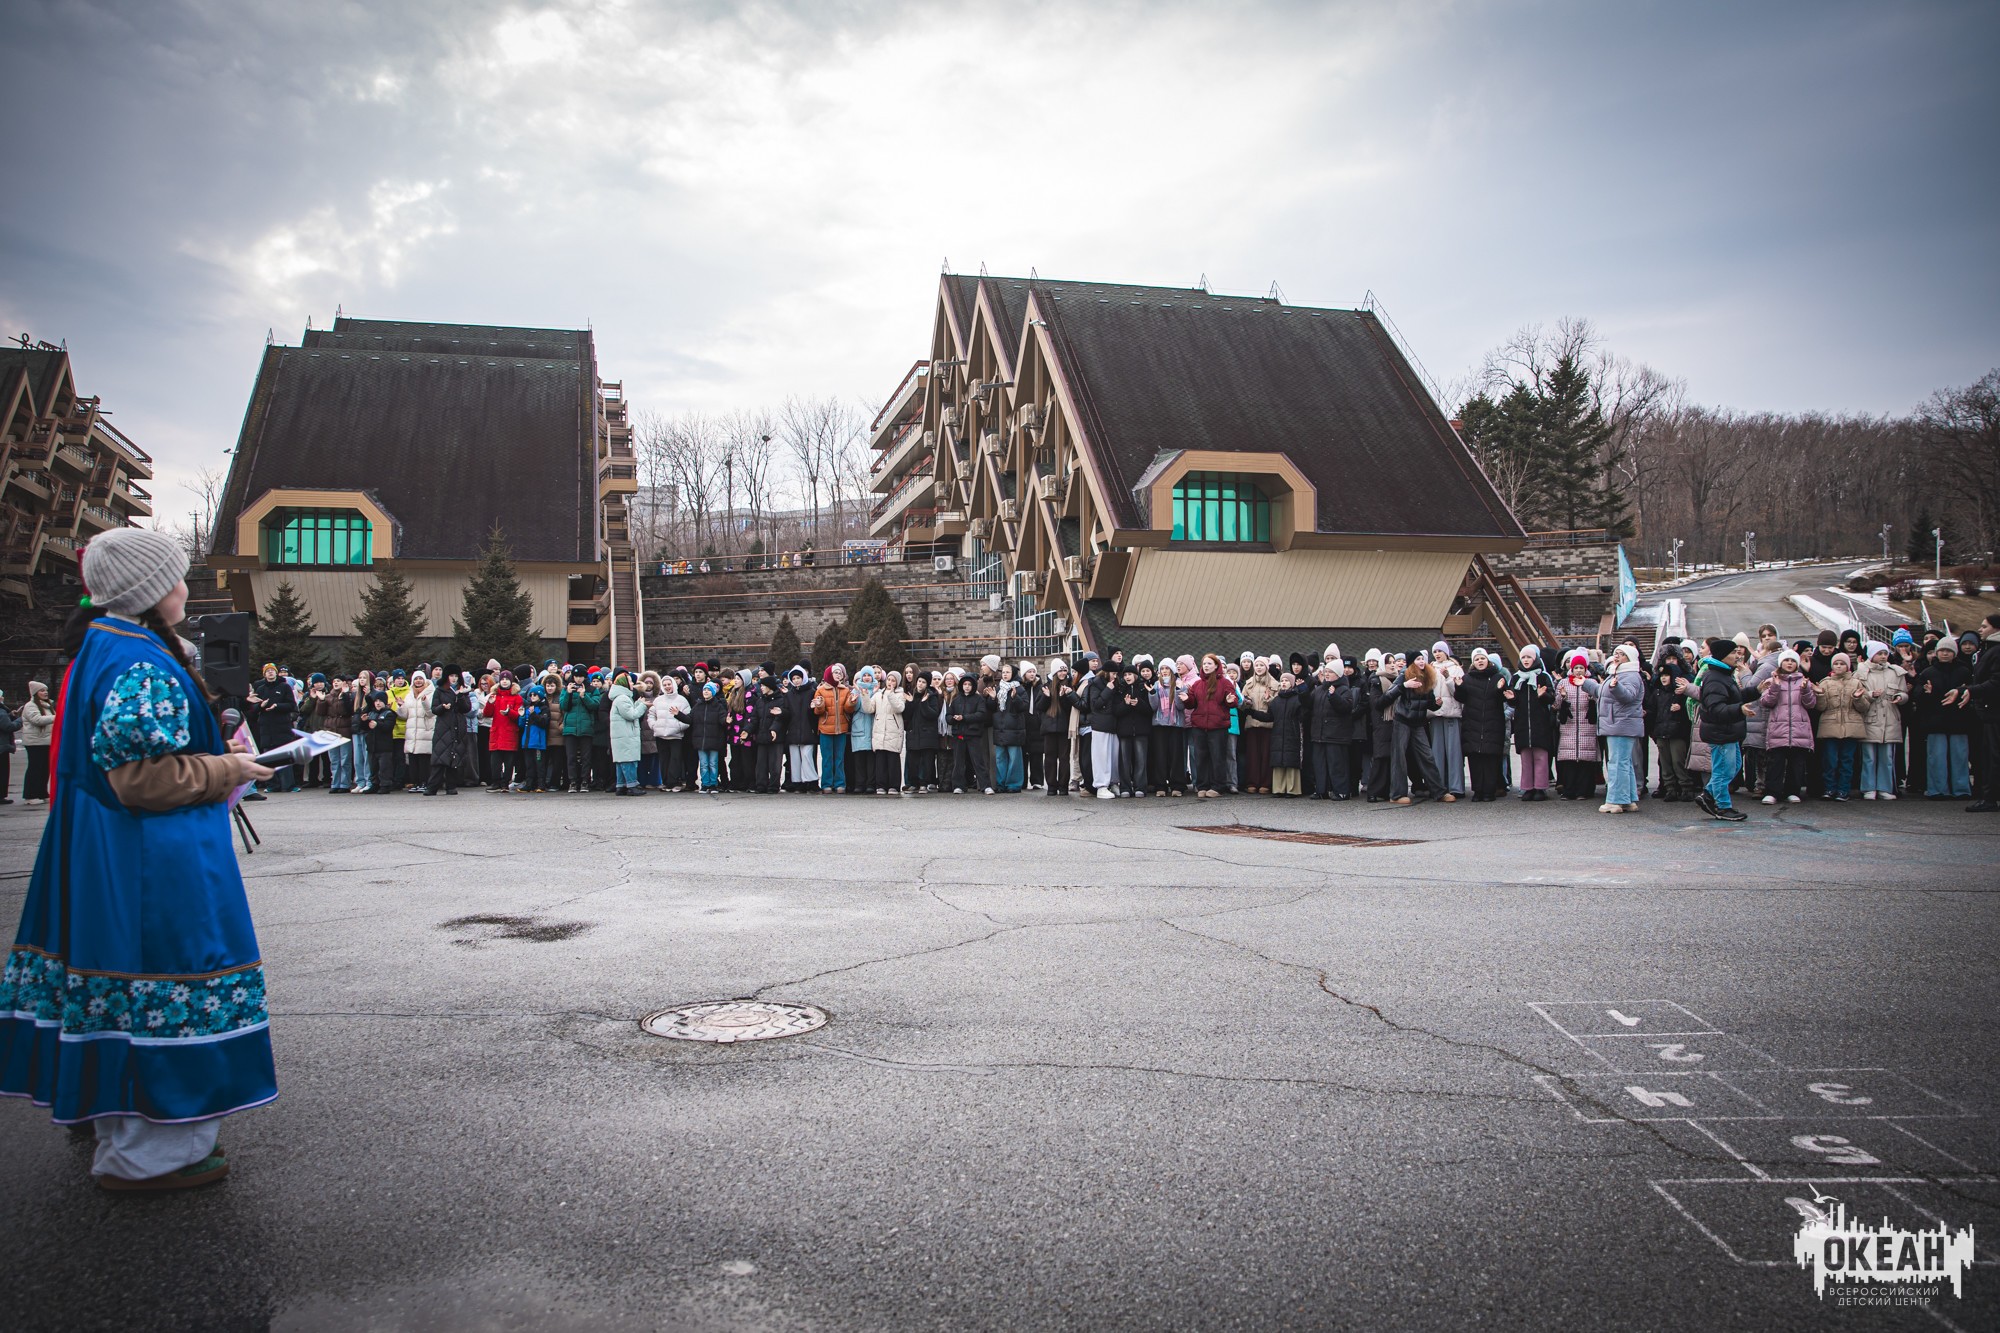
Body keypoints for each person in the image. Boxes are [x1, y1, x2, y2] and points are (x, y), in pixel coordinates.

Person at [1, 527, 277, 1189]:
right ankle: (152, 1153)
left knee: (119, 980)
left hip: (110, 846)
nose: (184, 586)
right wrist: (227, 767)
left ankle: (120, 1119)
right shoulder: (141, 660)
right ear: (151, 590)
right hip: (152, 857)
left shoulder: (105, 644)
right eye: (176, 575)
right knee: (164, 974)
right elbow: (140, 777)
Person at [1695, 637, 1752, 821]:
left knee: (1733, 767)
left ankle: (1708, 794)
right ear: (1722, 656)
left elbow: (1734, 697)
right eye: (1733, 652)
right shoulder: (1715, 678)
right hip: (1720, 732)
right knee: (1723, 771)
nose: (1738, 655)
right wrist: (1739, 709)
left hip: (1729, 732)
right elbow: (1716, 708)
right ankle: (1723, 806)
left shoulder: (1724, 675)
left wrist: (1757, 690)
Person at [1756, 649, 1817, 804]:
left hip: (1799, 729)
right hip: (1778, 728)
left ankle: (1793, 791)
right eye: (1786, 660)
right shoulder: (1772, 680)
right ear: (1780, 663)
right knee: (1775, 762)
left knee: (1796, 763)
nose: (1789, 663)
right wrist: (1775, 687)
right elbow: (1766, 702)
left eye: (1792, 661)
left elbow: (1811, 704)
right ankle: (1772, 792)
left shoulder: (1804, 681)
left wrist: (1805, 690)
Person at [1915, 639, 1973, 799]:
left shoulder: (1964, 671)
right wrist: (1926, 693)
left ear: (1954, 653)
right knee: (1936, 756)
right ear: (1937, 652)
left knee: (1960, 756)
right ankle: (1937, 789)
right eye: (1942, 650)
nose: (1945, 653)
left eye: (1949, 651)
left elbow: (1971, 691)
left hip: (1959, 719)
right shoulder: (1928, 672)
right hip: (1935, 720)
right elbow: (1917, 696)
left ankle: (1961, 789)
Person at [1596, 645, 1647, 813]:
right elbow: (1604, 692)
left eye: (1622, 654)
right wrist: (1587, 684)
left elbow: (1628, 696)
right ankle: (1628, 800)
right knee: (1623, 762)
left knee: (1617, 763)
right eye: (1616, 653)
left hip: (1621, 724)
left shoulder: (1630, 675)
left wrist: (1615, 687)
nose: (1617, 656)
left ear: (1630, 658)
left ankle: (1615, 801)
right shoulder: (1619, 673)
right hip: (1618, 724)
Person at [1811, 653, 1867, 801]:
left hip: (1851, 727)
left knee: (1847, 761)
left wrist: (1857, 698)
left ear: (1847, 666)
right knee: (1830, 760)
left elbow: (1864, 707)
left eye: (1842, 664)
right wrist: (1820, 695)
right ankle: (1829, 788)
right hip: (1830, 726)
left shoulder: (1856, 683)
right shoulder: (1825, 682)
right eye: (1836, 664)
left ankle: (1843, 790)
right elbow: (1820, 707)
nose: (1839, 666)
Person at [1855, 642, 1907, 800]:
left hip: (1890, 718)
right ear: (1871, 655)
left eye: (1885, 653)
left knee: (1887, 757)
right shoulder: (1861, 672)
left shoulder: (1895, 672)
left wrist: (1901, 697)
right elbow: (1855, 694)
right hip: (1870, 718)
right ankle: (1868, 788)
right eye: (1879, 653)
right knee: (1869, 757)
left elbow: (1904, 692)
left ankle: (1885, 788)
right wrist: (1870, 695)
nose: (1883, 656)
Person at [1457, 648, 1508, 801]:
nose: (1480, 661)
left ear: (1488, 660)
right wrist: (1459, 687)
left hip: (1492, 724)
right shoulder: (1467, 678)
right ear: (1473, 662)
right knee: (1475, 760)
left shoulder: (1498, 677)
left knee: (1490, 759)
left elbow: (1504, 698)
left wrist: (1501, 689)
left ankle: (1489, 791)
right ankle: (1478, 791)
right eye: (1477, 659)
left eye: (1482, 658)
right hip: (1472, 724)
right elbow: (1461, 698)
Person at [1507, 646, 1557, 801]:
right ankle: (1527, 788)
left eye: (1529, 657)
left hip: (1540, 723)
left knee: (1541, 756)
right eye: (1523, 657)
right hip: (1522, 723)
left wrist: (1543, 695)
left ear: (1535, 659)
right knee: (1526, 757)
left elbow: (1552, 698)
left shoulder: (1543, 676)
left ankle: (1540, 788)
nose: (1526, 660)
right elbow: (1513, 700)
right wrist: (1511, 698)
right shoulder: (1516, 678)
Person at [1185, 653, 1237, 799]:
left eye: (1209, 663)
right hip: (1199, 726)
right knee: (1201, 757)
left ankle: (1218, 786)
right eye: (1204, 664)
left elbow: (1233, 701)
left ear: (1216, 666)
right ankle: (1202, 786)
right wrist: (1186, 699)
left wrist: (1230, 700)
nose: (1206, 666)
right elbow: (1191, 704)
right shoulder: (1197, 684)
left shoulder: (1225, 683)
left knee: (1217, 757)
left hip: (1218, 727)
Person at [1553, 650, 1601, 801]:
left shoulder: (1592, 683)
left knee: (1586, 761)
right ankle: (1569, 790)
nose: (1578, 670)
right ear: (1571, 669)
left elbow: (1600, 701)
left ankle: (1584, 791)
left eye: (1581, 667)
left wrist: (1592, 697)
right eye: (1576, 668)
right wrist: (1562, 697)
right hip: (1569, 726)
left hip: (1587, 725)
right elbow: (1556, 705)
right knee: (1569, 761)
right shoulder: (1563, 683)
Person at [244, 662, 299, 792]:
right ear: (264, 674)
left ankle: (288, 785)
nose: (270, 672)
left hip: (282, 727)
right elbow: (253, 710)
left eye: (272, 670)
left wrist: (277, 706)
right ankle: (272, 785)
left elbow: (292, 705)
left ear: (276, 672)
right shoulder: (260, 689)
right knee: (268, 758)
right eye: (267, 671)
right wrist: (261, 706)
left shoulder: (284, 686)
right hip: (266, 728)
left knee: (284, 757)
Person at [1967, 612, 2000, 813]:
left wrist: (1970, 691)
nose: (1980, 629)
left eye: (1984, 626)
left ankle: (1990, 798)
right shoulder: (1990, 649)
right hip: (1990, 711)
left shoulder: (1996, 651)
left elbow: (1995, 683)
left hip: (1994, 712)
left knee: (1993, 757)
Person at [811, 664, 857, 793]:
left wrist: (851, 702)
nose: (838, 675)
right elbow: (818, 712)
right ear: (829, 675)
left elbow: (848, 710)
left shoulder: (845, 690)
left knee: (839, 758)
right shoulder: (820, 690)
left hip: (841, 728)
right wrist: (819, 705)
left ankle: (840, 783)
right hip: (825, 729)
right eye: (836, 672)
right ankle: (826, 784)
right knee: (827, 758)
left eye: (840, 673)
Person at [1429, 642, 1466, 798]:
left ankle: (1456, 787)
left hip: (1451, 712)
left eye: (1440, 651)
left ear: (1446, 652)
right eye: (1435, 651)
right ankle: (1439, 786)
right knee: (1436, 751)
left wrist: (1448, 678)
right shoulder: (1430, 669)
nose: (1437, 654)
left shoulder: (1456, 668)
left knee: (1454, 751)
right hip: (1435, 713)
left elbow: (1459, 692)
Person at [945, 673, 993, 792]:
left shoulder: (978, 699)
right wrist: (953, 719)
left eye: (969, 684)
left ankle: (986, 786)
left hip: (973, 734)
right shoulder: (956, 700)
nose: (967, 686)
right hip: (959, 734)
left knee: (978, 761)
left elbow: (981, 714)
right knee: (958, 762)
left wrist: (964, 718)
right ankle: (958, 786)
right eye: (965, 684)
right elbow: (948, 715)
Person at [607, 671, 648, 795]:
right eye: (630, 681)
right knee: (629, 761)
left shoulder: (621, 697)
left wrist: (637, 703)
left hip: (622, 735)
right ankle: (632, 785)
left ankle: (621, 786)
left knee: (621, 761)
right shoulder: (622, 698)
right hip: (626, 736)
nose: (632, 683)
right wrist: (642, 706)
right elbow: (631, 714)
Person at [868, 669, 908, 794]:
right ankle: (881, 785)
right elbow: (869, 708)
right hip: (879, 730)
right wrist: (865, 696)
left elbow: (899, 708)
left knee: (893, 760)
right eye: (889, 680)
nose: (890, 682)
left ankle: (894, 786)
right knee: (880, 761)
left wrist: (891, 694)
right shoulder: (878, 694)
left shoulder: (900, 694)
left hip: (893, 731)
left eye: (893, 680)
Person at [686, 678, 728, 794]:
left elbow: (722, 719)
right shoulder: (698, 705)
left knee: (713, 764)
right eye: (704, 689)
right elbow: (689, 718)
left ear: (713, 692)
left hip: (714, 740)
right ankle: (705, 784)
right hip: (701, 741)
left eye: (708, 690)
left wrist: (727, 720)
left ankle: (713, 784)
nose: (706, 692)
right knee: (703, 764)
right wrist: (677, 714)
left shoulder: (718, 706)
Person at [0, 687, 19, 803]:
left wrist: (10, 715)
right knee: (3, 771)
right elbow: (8, 726)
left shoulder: (3, 712)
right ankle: (1, 796)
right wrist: (20, 721)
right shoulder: (1, 711)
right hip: (2, 746)